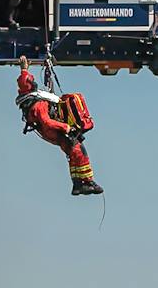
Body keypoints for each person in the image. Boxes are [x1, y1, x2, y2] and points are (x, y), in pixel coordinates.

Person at [16, 59, 101, 196]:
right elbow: (46, 122)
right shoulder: (37, 105)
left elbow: (23, 81)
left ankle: (77, 184)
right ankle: (87, 181)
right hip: (55, 131)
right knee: (80, 152)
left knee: (72, 154)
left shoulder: (29, 100)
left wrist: (24, 69)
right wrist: (65, 127)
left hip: (52, 133)